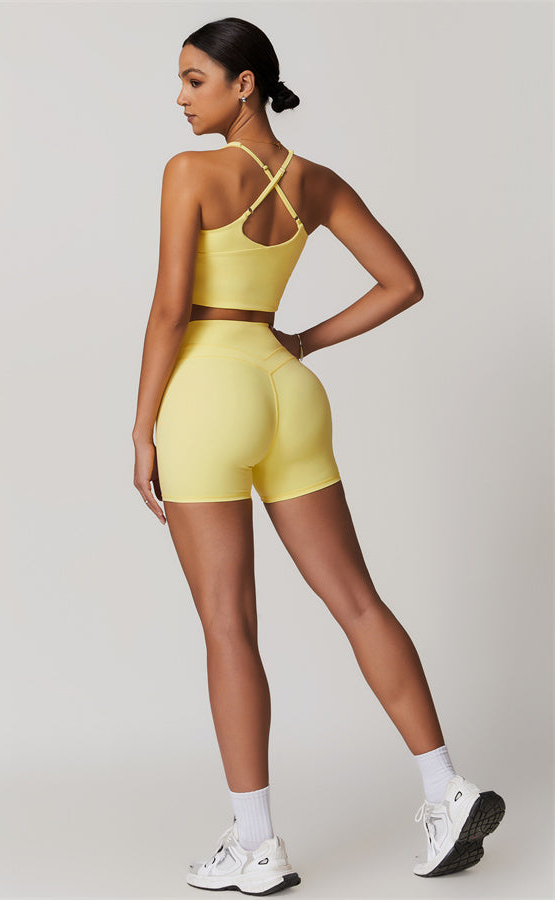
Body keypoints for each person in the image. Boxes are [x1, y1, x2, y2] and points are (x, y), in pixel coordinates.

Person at [132, 16, 505, 896]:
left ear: (245, 84)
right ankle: (445, 789)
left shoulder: (189, 173)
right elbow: (402, 284)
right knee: (358, 601)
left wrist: (141, 429)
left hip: (208, 394)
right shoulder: (318, 183)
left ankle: (257, 844)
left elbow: (170, 310)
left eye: (194, 80)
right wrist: (300, 342)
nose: (179, 98)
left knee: (229, 624)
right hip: (287, 392)